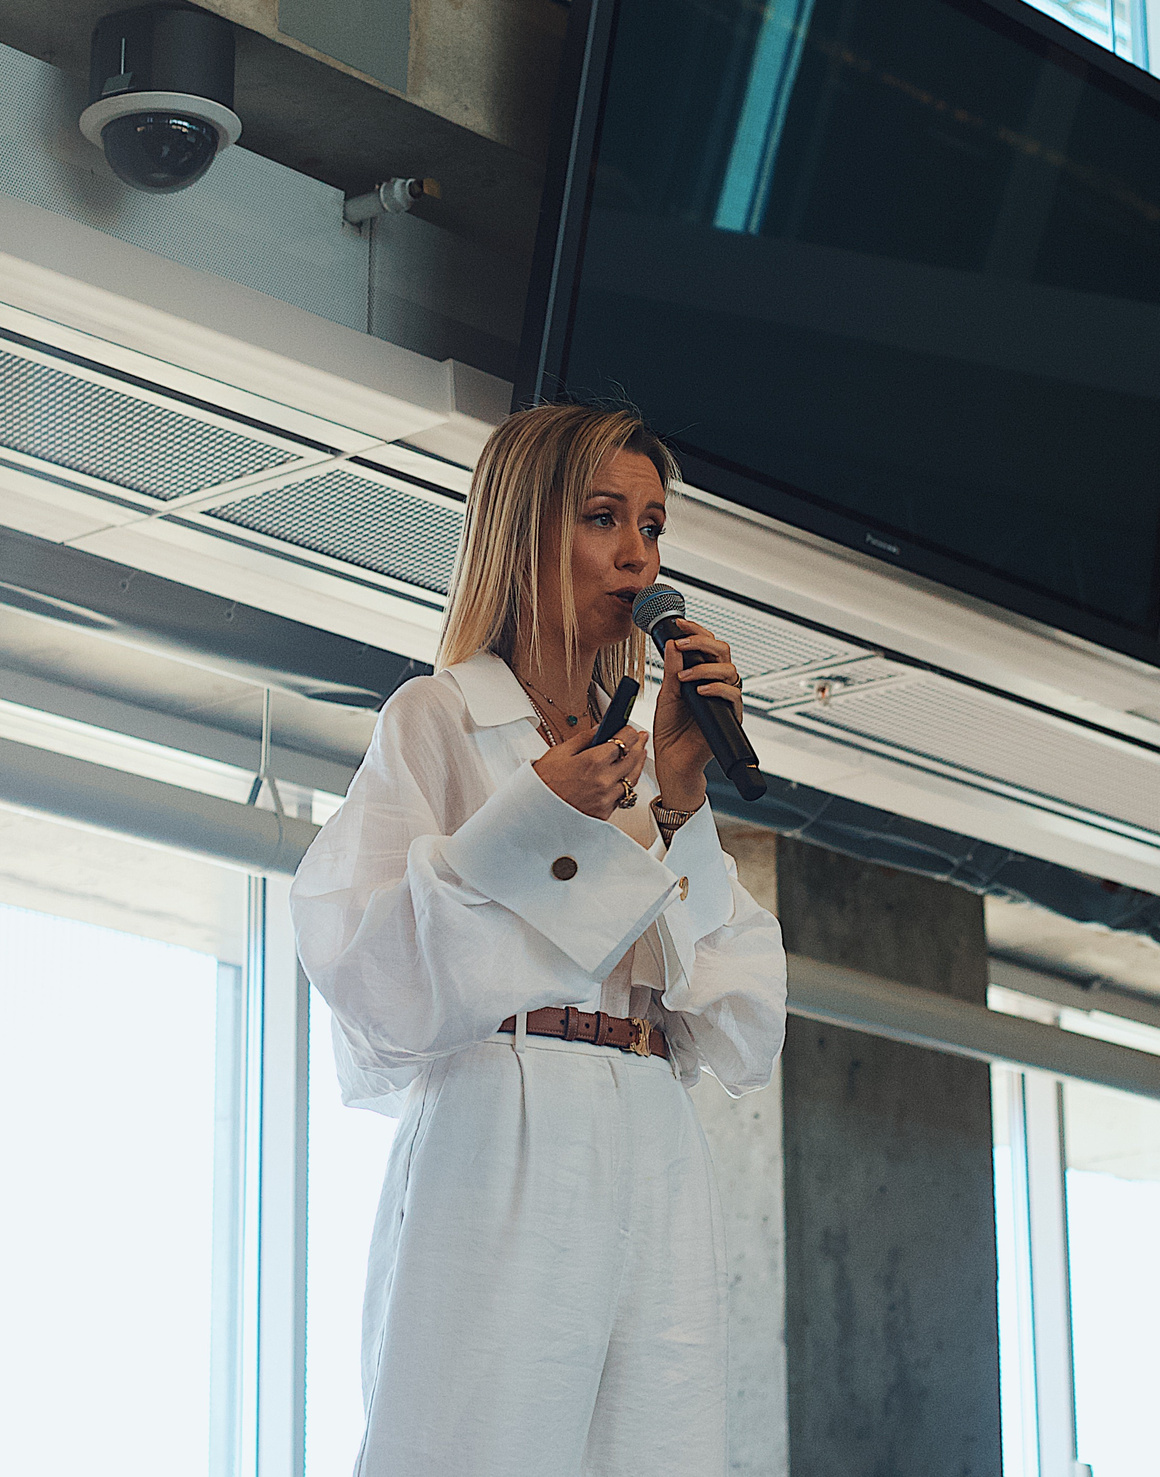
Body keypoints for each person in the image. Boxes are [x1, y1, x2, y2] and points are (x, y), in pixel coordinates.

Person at [292, 403, 789, 1477]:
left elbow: (740, 1021)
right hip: (504, 1114)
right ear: (523, 532)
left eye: (652, 528)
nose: (635, 554)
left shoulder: (656, 760)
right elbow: (368, 973)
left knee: (662, 1446)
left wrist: (683, 801)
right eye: (603, 517)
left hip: (653, 1131)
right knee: (481, 1442)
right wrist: (533, 817)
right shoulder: (436, 717)